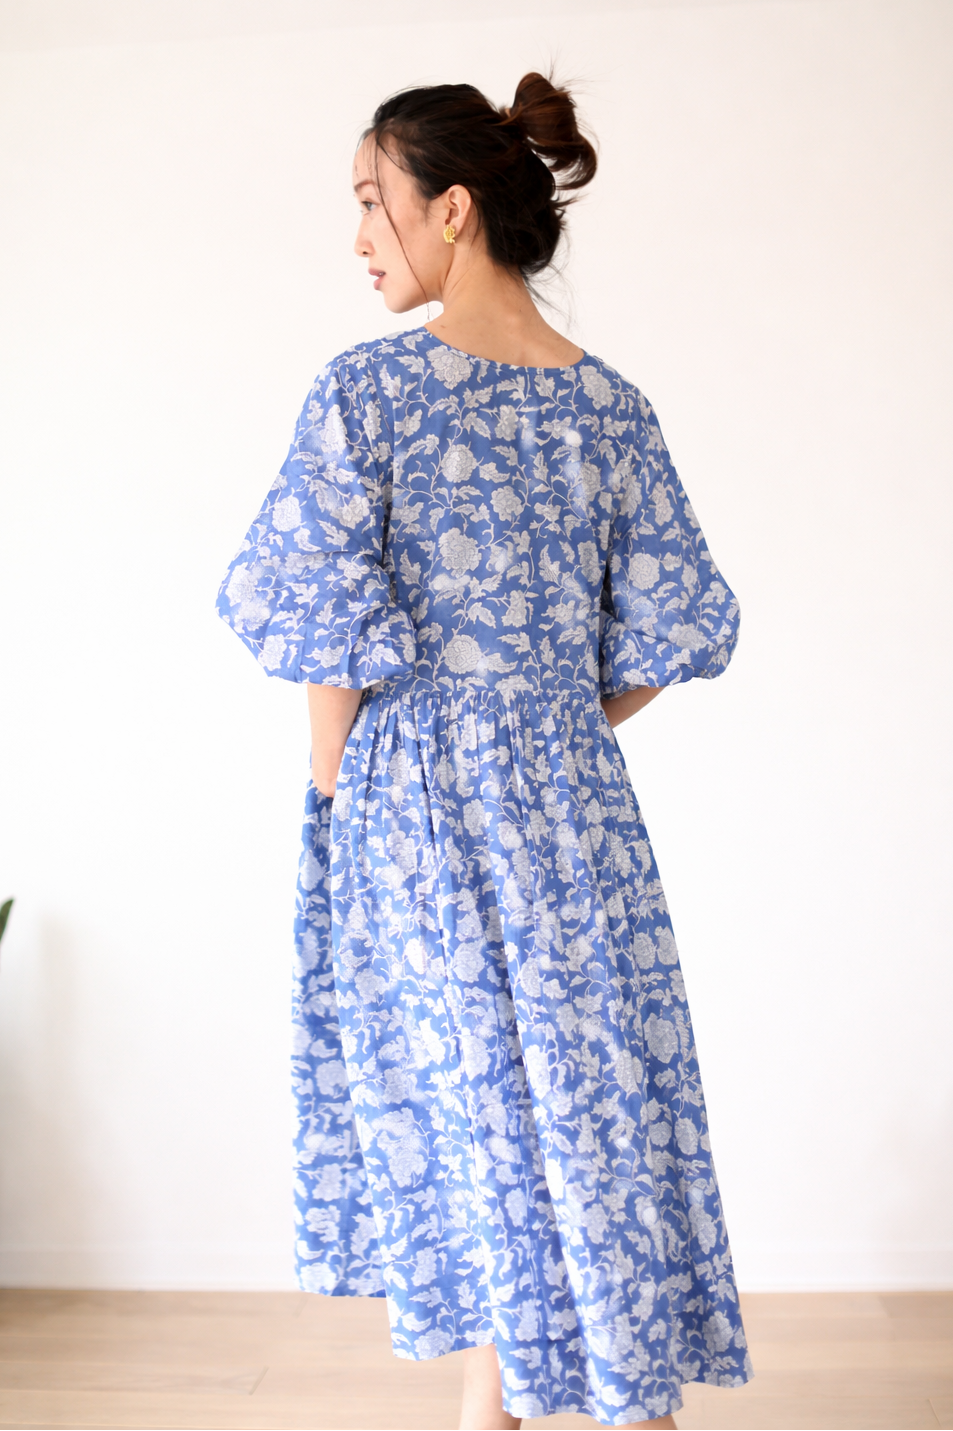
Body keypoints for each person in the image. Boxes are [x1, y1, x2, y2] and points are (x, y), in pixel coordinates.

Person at [217, 73, 751, 1431]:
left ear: (450, 211)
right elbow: (668, 627)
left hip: (409, 812)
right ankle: (602, 1403)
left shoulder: (369, 396)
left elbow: (321, 629)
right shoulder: (611, 408)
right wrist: (548, 718)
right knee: (588, 1109)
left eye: (368, 204)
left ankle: (512, 1407)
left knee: (478, 1129)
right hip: (573, 809)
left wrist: (345, 807)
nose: (356, 239)